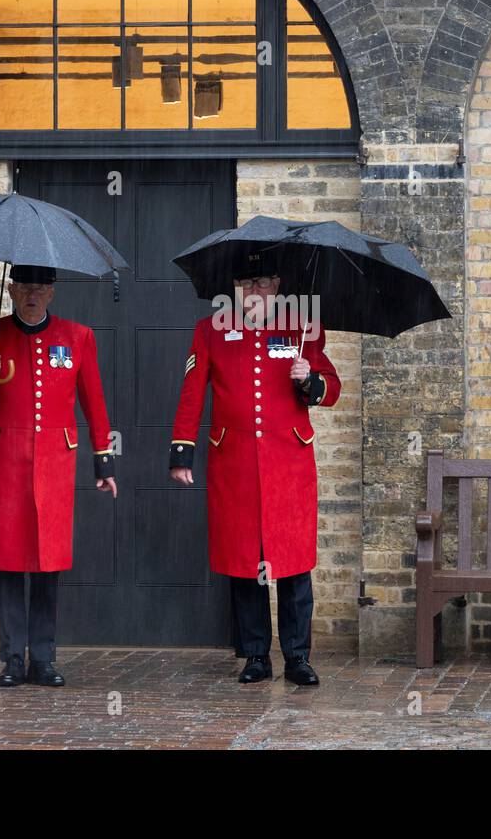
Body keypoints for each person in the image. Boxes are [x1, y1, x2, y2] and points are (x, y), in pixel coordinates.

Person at [169, 251, 341, 685]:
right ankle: (255, 656)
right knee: (246, 563)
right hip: (236, 464)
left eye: (263, 282)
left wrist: (311, 380)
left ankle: (298, 657)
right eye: (247, 283)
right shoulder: (211, 331)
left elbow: (332, 386)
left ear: (278, 285)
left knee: (294, 563)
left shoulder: (303, 328)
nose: (254, 291)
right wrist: (181, 451)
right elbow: (193, 392)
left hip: (289, 463)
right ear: (235, 288)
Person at [0, 263, 117, 688]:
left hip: (54, 466)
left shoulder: (77, 337)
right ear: (11, 289)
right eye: (24, 286)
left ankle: (43, 659)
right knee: (7, 561)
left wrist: (104, 461)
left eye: (40, 287)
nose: (32, 294)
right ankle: (12, 659)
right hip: (4, 464)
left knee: (48, 562)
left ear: (52, 292)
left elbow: (94, 402)